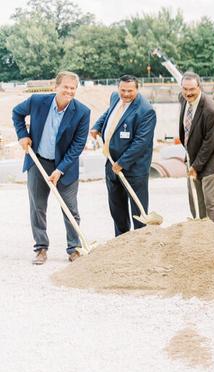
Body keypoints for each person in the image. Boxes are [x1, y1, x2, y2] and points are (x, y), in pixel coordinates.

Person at [11, 71, 90, 264]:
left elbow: (78, 145)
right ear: (56, 87)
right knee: (37, 207)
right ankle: (41, 248)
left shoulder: (82, 112)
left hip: (65, 166)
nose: (69, 91)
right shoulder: (37, 101)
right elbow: (17, 113)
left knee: (70, 208)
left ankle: (74, 248)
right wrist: (22, 135)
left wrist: (60, 169)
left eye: (73, 88)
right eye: (65, 87)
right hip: (39, 161)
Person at [90, 75, 157, 236]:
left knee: (138, 209)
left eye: (130, 91)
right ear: (118, 88)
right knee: (117, 207)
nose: (126, 94)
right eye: (123, 90)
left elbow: (141, 143)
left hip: (134, 168)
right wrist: (97, 126)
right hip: (111, 163)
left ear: (137, 89)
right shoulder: (115, 97)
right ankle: (121, 239)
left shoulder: (146, 111)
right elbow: (109, 114)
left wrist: (122, 162)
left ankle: (140, 241)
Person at [178, 72, 214, 222]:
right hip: (194, 158)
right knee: (196, 202)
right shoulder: (183, 99)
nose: (188, 93)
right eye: (185, 89)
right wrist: (190, 158)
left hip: (212, 160)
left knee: (211, 204)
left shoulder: (211, 110)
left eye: (192, 89)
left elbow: (210, 143)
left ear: (199, 87)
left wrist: (196, 166)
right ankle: (199, 236)